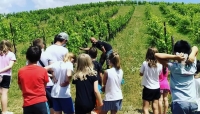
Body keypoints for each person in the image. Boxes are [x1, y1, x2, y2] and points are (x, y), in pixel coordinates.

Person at [155, 40, 198, 114]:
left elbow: (156, 55)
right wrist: (192, 54)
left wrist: (175, 57)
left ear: (175, 53)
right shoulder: (193, 65)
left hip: (179, 103)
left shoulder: (174, 67)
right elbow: (195, 48)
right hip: (193, 103)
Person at [18, 46, 49, 114]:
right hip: (41, 102)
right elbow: (44, 86)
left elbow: (21, 87)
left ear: (26, 57)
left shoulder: (21, 71)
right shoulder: (42, 71)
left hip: (27, 103)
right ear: (39, 57)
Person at [32, 38, 54, 114]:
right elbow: (52, 67)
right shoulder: (47, 54)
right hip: (47, 81)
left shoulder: (31, 55)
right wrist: (52, 75)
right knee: (51, 102)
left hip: (35, 82)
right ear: (43, 45)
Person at [140, 47, 162, 114]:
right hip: (156, 88)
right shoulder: (160, 65)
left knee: (145, 108)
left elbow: (141, 73)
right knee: (155, 108)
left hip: (148, 88)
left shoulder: (145, 63)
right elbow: (159, 74)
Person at [0, 40, 16, 114]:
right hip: (6, 75)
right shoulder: (11, 54)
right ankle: (4, 111)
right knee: (4, 93)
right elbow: (10, 66)